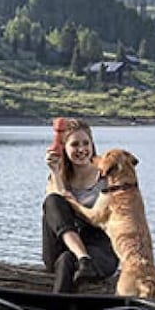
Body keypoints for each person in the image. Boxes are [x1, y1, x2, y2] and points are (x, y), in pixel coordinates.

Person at [42, 117, 119, 293]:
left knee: (66, 260)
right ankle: (82, 257)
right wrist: (54, 171)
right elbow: (58, 208)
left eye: (86, 143)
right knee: (52, 200)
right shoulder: (58, 176)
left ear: (93, 145)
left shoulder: (108, 177)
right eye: (75, 145)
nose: (82, 149)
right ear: (64, 148)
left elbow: (98, 218)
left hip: (99, 246)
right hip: (61, 245)